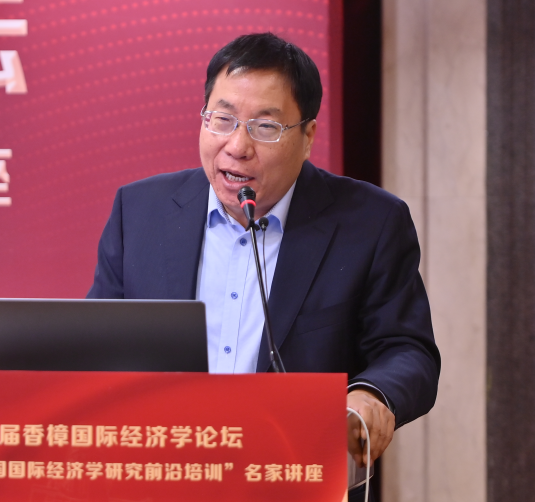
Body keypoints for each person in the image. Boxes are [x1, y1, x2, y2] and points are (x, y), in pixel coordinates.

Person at [87, 32, 441, 500]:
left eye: (265, 127)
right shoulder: (139, 212)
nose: (237, 146)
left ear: (308, 136)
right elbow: (97, 347)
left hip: (294, 479)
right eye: (222, 119)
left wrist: (371, 396)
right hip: (162, 480)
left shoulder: (371, 222)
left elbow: (407, 349)